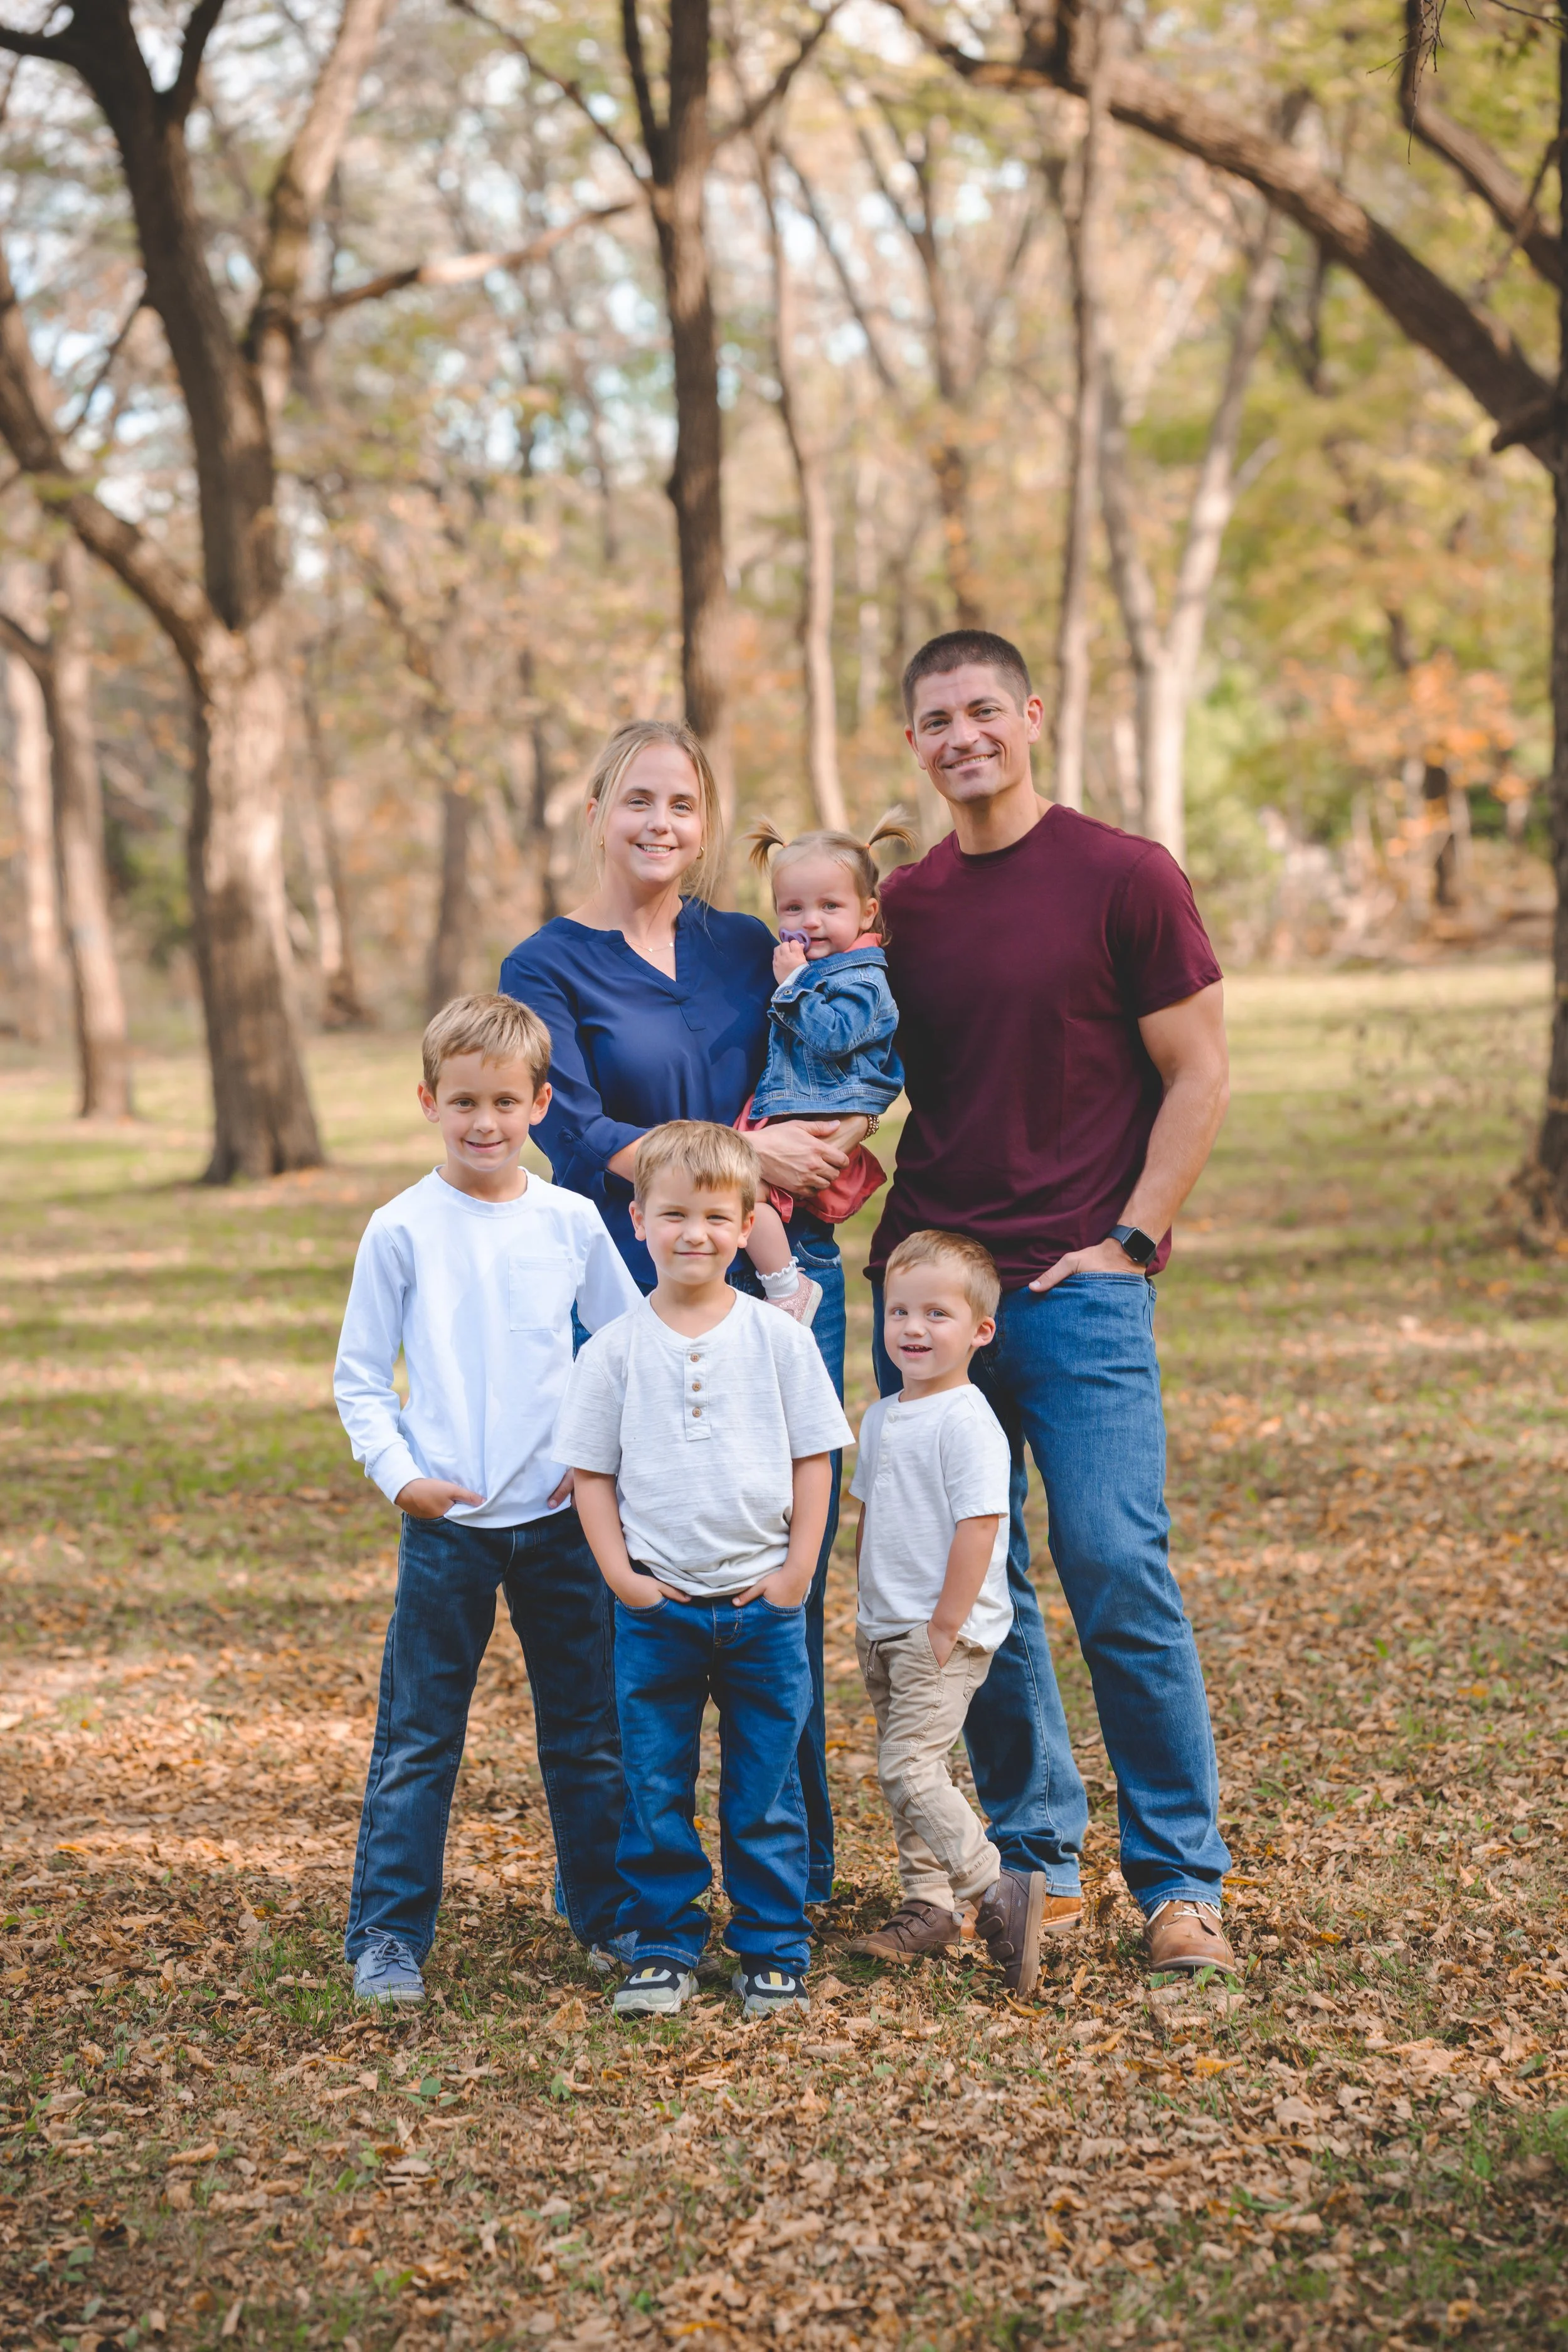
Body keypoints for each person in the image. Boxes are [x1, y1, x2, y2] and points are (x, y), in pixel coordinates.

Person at [870, 629, 1237, 1978]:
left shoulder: (1123, 877)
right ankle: (1032, 1859)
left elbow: (1197, 1071)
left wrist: (1133, 1239)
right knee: (977, 1594)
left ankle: (1179, 1882)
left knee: (1115, 1569)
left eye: (982, 711)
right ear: (911, 743)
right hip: (929, 1297)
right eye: (934, 720)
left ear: (1028, 714)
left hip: (1078, 1288)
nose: (961, 736)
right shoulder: (899, 906)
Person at [498, 720, 866, 1905]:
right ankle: (616, 1877)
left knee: (783, 1577)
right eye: (640, 799)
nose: (662, 823)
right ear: (599, 807)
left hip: (779, 1286)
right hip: (623, 1301)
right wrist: (744, 1159)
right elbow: (576, 1132)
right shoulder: (547, 967)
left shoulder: (748, 944)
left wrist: (838, 1136)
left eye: (685, 806)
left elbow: (830, 1054)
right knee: (623, 1585)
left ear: (708, 825)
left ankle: (791, 1871)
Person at [334, 993, 642, 2006]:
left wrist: (591, 1459)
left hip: (558, 1523)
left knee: (587, 1734)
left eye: (506, 1102)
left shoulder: (569, 1222)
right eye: (463, 1100)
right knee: (420, 1738)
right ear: (428, 1100)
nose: (484, 1122)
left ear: (540, 1105)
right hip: (449, 1527)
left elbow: (625, 1346)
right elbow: (361, 1378)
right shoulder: (401, 1229)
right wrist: (403, 1479)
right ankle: (387, 1937)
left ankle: (607, 1919)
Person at [556, 1123, 854, 2019]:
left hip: (763, 1602)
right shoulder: (612, 1347)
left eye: (717, 1216)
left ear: (748, 1221)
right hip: (657, 1608)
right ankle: (664, 1945)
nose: (694, 1233)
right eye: (674, 1214)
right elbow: (591, 1474)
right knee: (654, 1786)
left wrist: (799, 1569)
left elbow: (815, 1457)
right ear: (638, 1218)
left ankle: (771, 1948)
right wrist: (622, 1577)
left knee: (766, 1786)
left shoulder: (777, 1338)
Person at [847, 1230, 1059, 1996]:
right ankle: (926, 1906)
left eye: (937, 1313)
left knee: (905, 1766)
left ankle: (993, 1887)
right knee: (916, 1772)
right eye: (899, 1310)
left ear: (979, 1330)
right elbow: (868, 1513)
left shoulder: (970, 1420)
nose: (912, 1327)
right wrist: (869, 1609)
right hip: (885, 1625)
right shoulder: (881, 1417)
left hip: (944, 1631)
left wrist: (945, 1624)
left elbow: (979, 1528)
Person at [734, 818, 909, 1325]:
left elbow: (835, 1036)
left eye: (830, 907)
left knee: (744, 1190)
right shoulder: (813, 970)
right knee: (742, 1190)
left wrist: (791, 986)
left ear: (867, 911)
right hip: (789, 1114)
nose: (810, 921)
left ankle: (788, 1288)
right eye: (794, 908)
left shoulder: (863, 979)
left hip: (818, 1118)